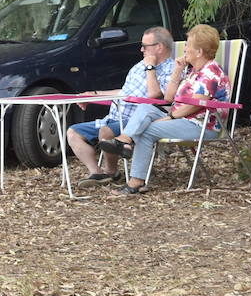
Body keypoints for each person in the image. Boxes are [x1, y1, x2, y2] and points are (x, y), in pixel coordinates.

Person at [99, 24, 232, 196]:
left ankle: (135, 183)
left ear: (198, 52)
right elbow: (169, 98)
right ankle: (124, 140)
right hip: (183, 119)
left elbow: (196, 104)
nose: (184, 48)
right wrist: (177, 70)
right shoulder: (193, 72)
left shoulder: (211, 72)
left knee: (147, 131)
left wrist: (170, 117)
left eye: (187, 45)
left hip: (202, 125)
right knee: (146, 107)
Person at [67, 26, 175, 187]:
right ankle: (97, 172)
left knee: (106, 131)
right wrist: (94, 94)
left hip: (140, 120)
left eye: (145, 46)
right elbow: (124, 92)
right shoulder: (139, 66)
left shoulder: (172, 69)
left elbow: (157, 96)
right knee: (73, 132)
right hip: (114, 117)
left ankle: (111, 172)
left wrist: (150, 68)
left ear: (159, 47)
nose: (141, 49)